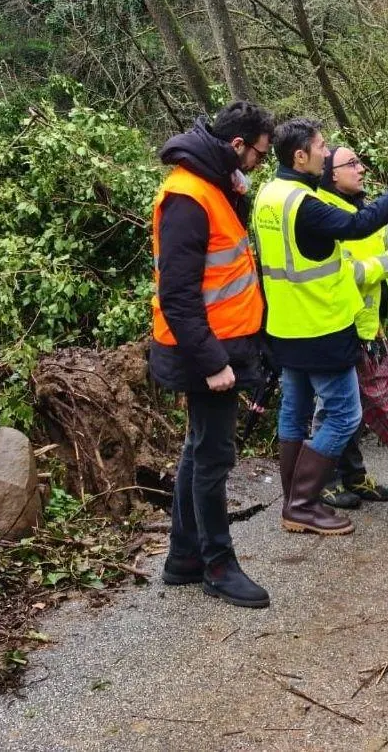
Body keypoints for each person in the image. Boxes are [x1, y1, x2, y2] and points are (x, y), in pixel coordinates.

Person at [252, 118, 388, 537]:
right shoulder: (304, 203)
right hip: (321, 326)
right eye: (322, 148)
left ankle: (294, 499)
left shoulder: (268, 194)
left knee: (294, 413)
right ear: (300, 156)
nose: (326, 155)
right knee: (345, 416)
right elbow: (356, 227)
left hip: (284, 325)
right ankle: (304, 503)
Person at [149, 100, 275, 608]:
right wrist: (215, 363)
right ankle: (217, 565)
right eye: (259, 156)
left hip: (222, 345)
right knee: (214, 456)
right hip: (205, 353)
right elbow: (177, 295)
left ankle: (183, 558)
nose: (260, 166)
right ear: (237, 146)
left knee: (198, 448)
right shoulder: (187, 197)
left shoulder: (213, 188)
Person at [316, 145, 388, 510]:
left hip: (366, 327)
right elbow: (349, 274)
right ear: (331, 173)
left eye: (360, 162)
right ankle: (322, 481)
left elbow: (386, 230)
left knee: (355, 408)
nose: (361, 169)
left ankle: (354, 476)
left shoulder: (358, 208)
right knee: (332, 408)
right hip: (338, 325)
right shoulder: (328, 215)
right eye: (352, 164)